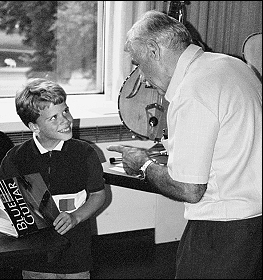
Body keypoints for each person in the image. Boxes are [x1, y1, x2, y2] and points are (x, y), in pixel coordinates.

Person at [107, 10, 262, 279]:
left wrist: (142, 164)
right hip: (254, 224)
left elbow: (189, 189)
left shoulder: (192, 90)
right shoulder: (231, 65)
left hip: (221, 232)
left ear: (154, 50)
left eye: (138, 63)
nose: (141, 77)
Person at [0, 78, 106, 279]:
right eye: (53, 117)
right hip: (35, 256)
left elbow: (98, 195)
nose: (65, 120)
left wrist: (76, 216)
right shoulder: (17, 157)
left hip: (75, 252)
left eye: (66, 111)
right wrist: (15, 214)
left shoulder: (85, 153)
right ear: (34, 126)